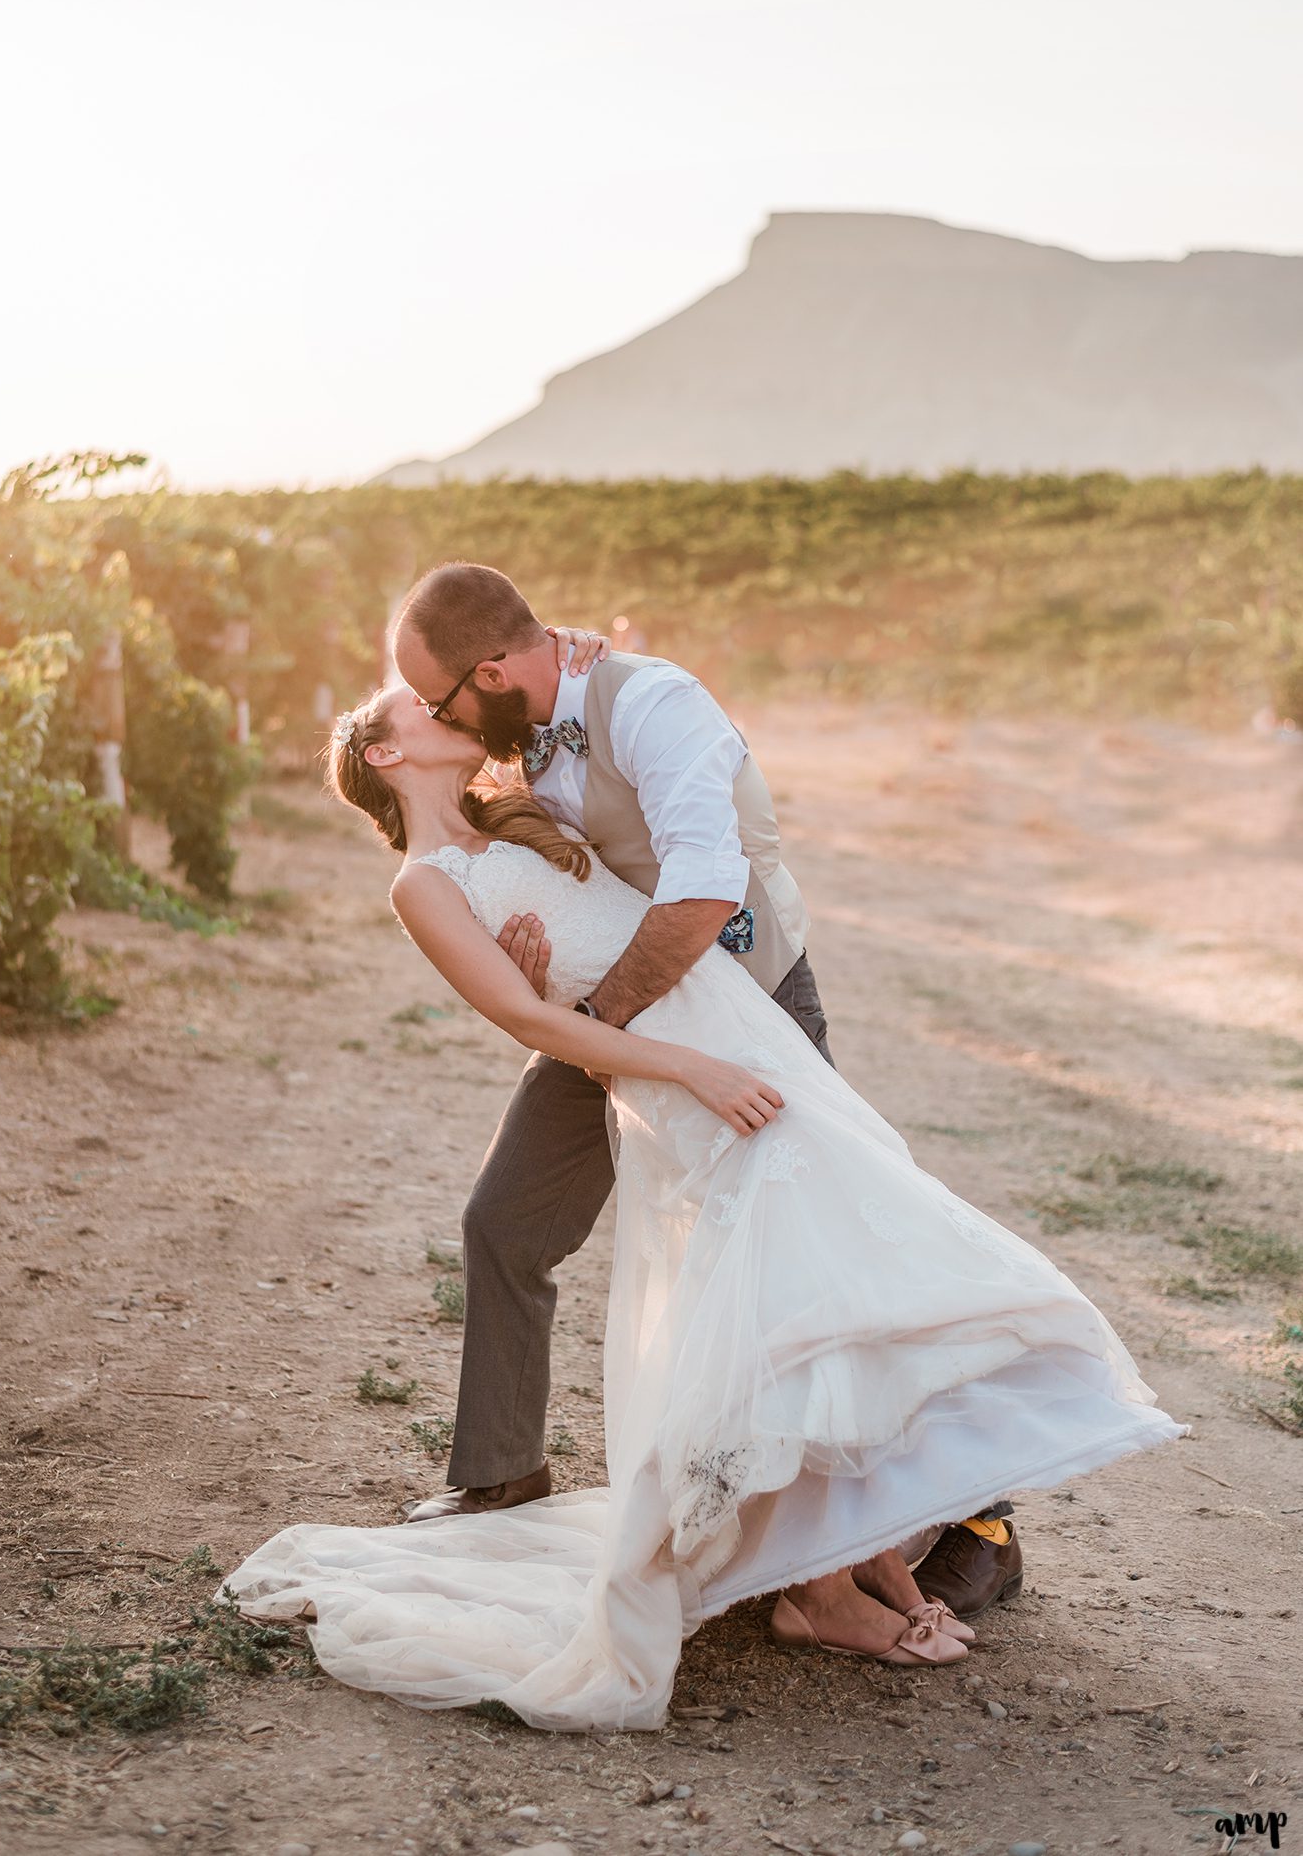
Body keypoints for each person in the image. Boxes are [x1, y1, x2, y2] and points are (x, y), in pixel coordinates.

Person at [220, 575, 1186, 1730]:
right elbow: (530, 955)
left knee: (824, 1247)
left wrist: (631, 1035)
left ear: (484, 679)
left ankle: (951, 1527)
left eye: (435, 693)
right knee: (509, 1221)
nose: (440, 715)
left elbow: (696, 896)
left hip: (731, 1001)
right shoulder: (506, 762)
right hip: (621, 1027)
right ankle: (506, 1479)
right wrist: (556, 991)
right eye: (418, 707)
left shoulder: (650, 709)